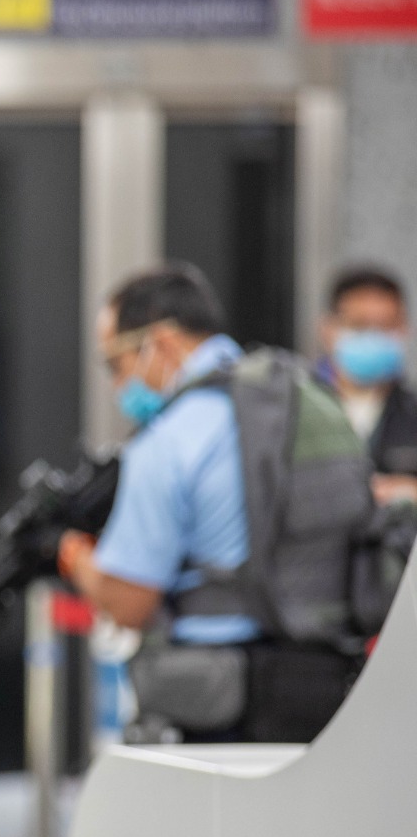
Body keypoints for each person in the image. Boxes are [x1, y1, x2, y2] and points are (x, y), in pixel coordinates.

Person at [58, 262, 372, 744]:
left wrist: (76, 559)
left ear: (160, 343)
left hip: (227, 703)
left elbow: (130, 602)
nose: (118, 385)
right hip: (332, 686)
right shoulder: (303, 397)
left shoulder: (169, 438)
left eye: (116, 365)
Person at [317, 264, 417, 506]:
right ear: (328, 329)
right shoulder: (298, 411)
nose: (373, 337)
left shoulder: (412, 412)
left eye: (386, 326)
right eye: (360, 326)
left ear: (404, 329)